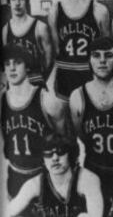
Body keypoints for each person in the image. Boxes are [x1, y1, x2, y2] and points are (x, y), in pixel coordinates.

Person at [0, 45, 66, 201]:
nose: (12, 68)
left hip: (44, 175)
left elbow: (64, 142)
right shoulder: (2, 101)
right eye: (7, 64)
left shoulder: (47, 101)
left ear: (27, 66)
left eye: (17, 63)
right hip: (15, 175)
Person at [69, 38, 113, 217]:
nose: (102, 61)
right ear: (89, 60)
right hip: (94, 171)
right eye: (96, 56)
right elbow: (80, 135)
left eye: (108, 56)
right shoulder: (78, 96)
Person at [48, 0, 110, 101]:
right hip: (65, 75)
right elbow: (56, 49)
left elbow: (107, 50)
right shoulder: (54, 11)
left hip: (90, 75)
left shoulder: (99, 10)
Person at [7, 133, 103, 217]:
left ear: (71, 154)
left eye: (60, 152)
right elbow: (7, 212)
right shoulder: (35, 184)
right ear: (43, 159)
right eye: (48, 154)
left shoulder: (88, 179)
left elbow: (96, 215)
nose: (55, 158)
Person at [2, 0, 53, 85]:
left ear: (27, 1)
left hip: (35, 80)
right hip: (16, 83)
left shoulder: (40, 27)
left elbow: (49, 60)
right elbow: (6, 60)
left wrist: (41, 78)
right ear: (8, 2)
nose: (17, 3)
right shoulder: (5, 30)